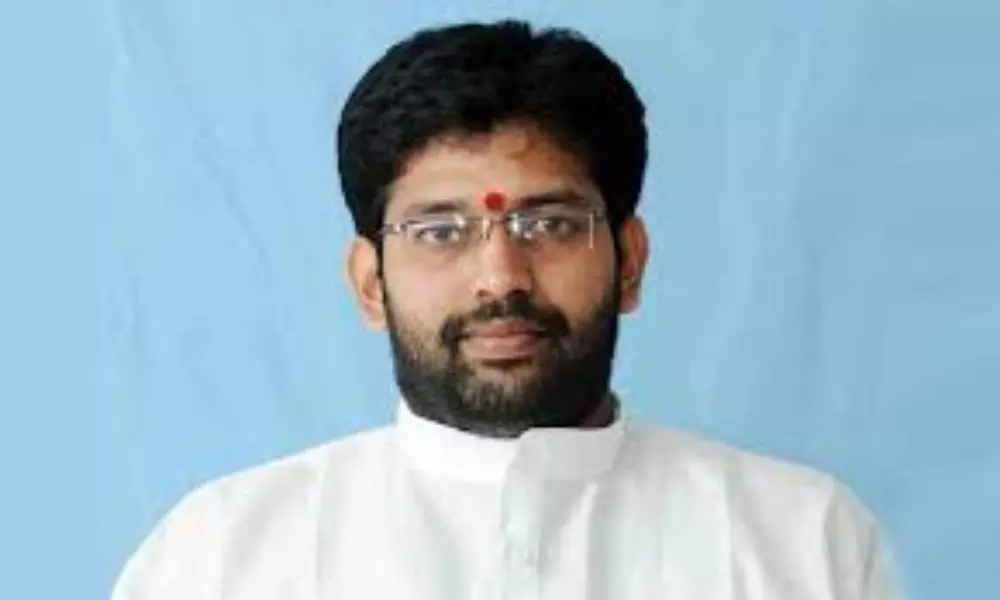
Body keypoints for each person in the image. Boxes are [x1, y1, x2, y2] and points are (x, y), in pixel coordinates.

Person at [111, 19, 898, 600]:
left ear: (629, 261)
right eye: (440, 231)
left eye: (548, 225)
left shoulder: (800, 542)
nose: (500, 277)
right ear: (370, 283)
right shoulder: (221, 558)